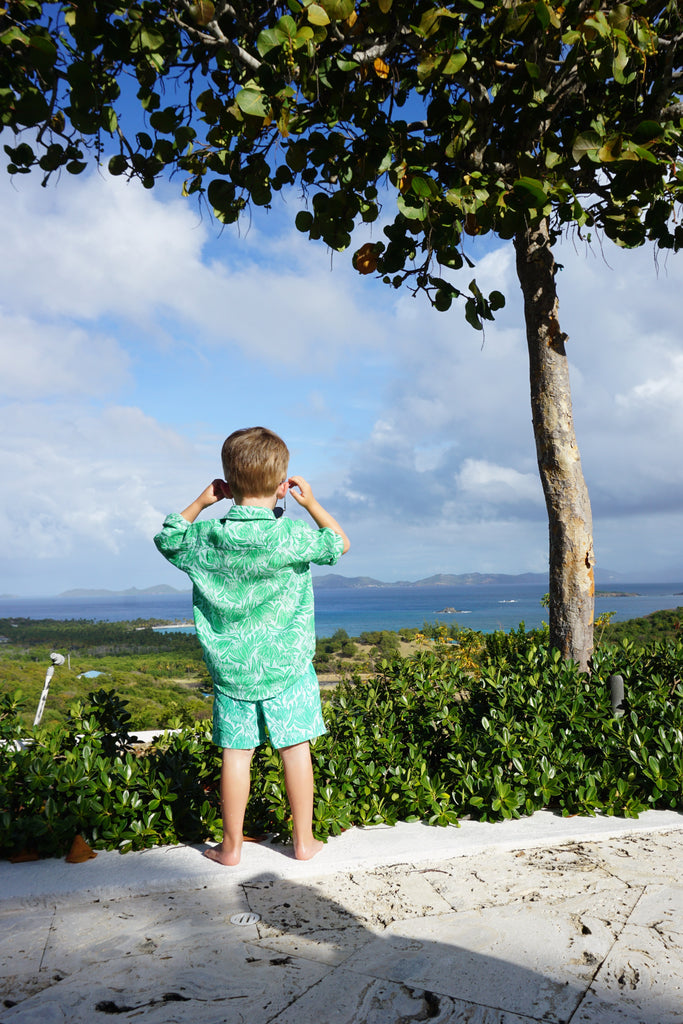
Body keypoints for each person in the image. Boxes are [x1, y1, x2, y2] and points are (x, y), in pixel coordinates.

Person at [154, 427, 349, 865]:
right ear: (283, 485)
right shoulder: (293, 537)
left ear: (226, 483)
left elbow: (167, 538)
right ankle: (303, 843)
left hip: (232, 669)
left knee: (236, 755)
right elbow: (339, 543)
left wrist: (203, 501)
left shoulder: (208, 538)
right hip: (290, 665)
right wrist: (311, 503)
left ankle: (231, 847)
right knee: (296, 751)